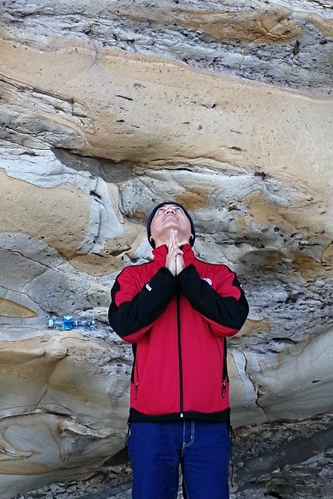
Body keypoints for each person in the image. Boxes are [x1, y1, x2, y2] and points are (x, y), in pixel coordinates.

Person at [108, 201, 249, 499]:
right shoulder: (133, 278)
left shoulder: (219, 275)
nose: (170, 212)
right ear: (150, 238)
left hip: (209, 422)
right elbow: (127, 326)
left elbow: (231, 320)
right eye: (161, 211)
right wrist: (165, 277)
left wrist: (186, 276)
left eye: (178, 211)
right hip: (151, 424)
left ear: (192, 234)